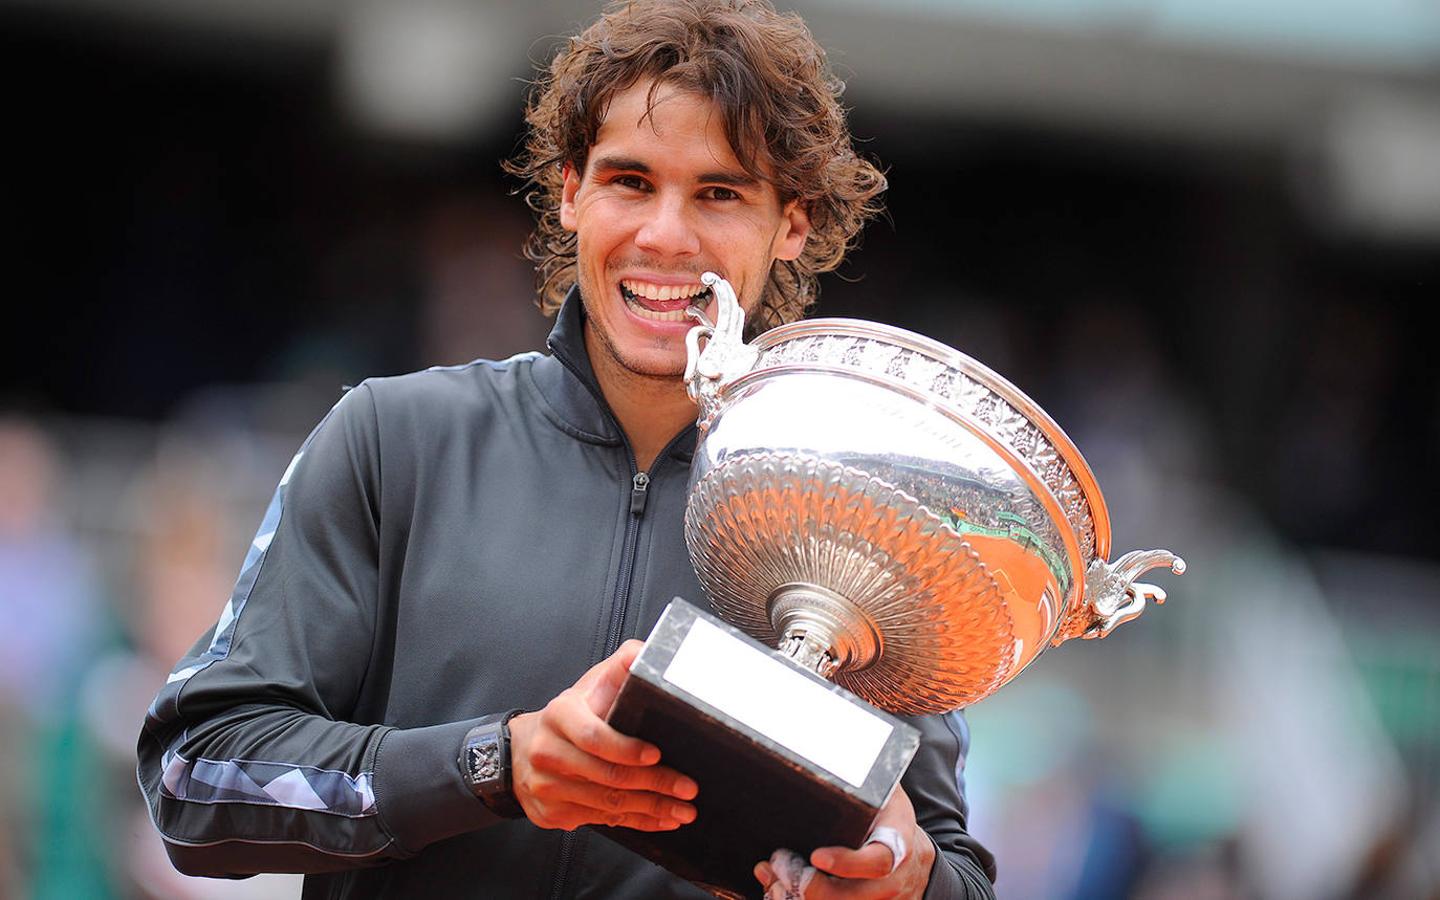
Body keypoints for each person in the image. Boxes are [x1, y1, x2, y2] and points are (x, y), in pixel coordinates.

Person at [136, 1, 999, 897]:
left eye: (720, 193)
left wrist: (905, 882)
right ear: (569, 191)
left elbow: (954, 869)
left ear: (792, 223)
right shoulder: (396, 440)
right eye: (630, 181)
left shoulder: (867, 516)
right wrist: (489, 767)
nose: (665, 235)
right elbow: (194, 777)